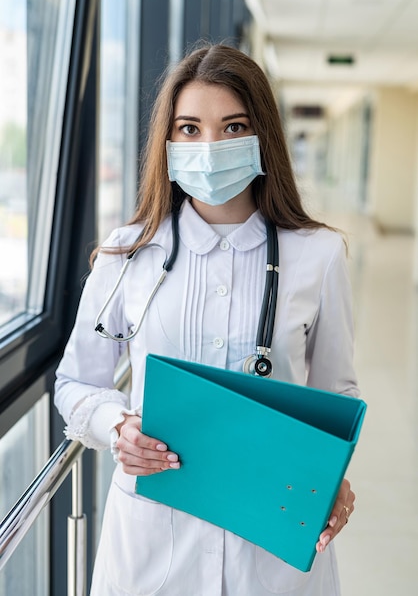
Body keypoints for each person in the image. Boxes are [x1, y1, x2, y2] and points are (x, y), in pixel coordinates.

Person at [55, 42, 358, 596]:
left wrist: (333, 476)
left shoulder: (319, 254)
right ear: (167, 142)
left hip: (273, 546)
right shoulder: (127, 255)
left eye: (234, 126)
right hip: (152, 546)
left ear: (261, 135)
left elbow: (335, 392)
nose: (211, 145)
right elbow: (76, 382)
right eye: (190, 129)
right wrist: (118, 426)